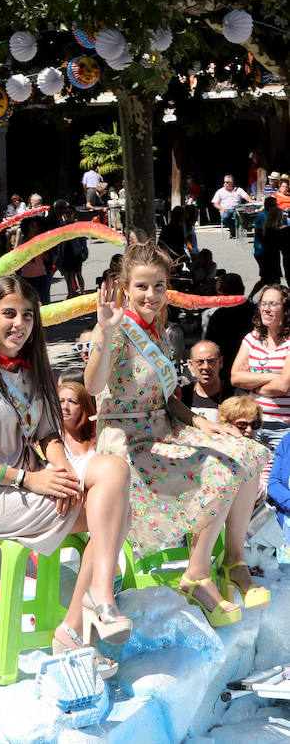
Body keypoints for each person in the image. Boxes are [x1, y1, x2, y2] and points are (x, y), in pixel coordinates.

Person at [0, 275, 133, 677]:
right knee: (115, 514)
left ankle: (94, 601)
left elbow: (48, 432)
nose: (20, 324)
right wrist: (28, 480)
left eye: (28, 315)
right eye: (8, 313)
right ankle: (78, 625)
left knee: (114, 472)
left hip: (36, 477)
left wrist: (60, 463)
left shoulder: (32, 366)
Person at [85, 241, 270, 627]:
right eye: (141, 287)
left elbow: (168, 399)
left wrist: (202, 422)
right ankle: (197, 572)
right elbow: (92, 385)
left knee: (245, 452)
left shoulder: (159, 331)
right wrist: (103, 331)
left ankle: (233, 560)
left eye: (158, 286)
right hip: (127, 443)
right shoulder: (116, 329)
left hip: (164, 430)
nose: (150, 295)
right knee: (222, 470)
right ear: (124, 286)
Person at [230, 285, 290, 451]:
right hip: (253, 425)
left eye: (273, 304)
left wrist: (252, 383)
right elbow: (235, 378)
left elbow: (283, 386)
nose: (266, 309)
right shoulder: (253, 338)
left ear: (285, 310)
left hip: (285, 428)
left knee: (281, 477)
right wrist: (273, 376)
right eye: (263, 303)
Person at [205, 274, 253, 387]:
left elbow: (210, 347)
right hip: (251, 372)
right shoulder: (256, 312)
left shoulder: (217, 316)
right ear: (243, 289)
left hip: (225, 373)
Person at [182, 340, 233, 422]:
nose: (206, 367)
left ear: (220, 362)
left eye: (211, 361)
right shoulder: (182, 396)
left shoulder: (235, 397)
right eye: (200, 362)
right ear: (191, 365)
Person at [58, 381, 96, 483]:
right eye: (61, 401)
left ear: (84, 406)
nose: (65, 406)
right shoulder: (52, 439)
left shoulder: (97, 435)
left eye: (72, 401)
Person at [249, 196, 283, 299]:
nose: (275, 207)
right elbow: (260, 236)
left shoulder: (273, 216)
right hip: (263, 252)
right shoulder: (262, 216)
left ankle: (276, 297)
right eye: (273, 205)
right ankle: (252, 297)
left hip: (272, 252)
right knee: (266, 279)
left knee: (274, 279)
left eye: (275, 205)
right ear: (267, 205)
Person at [19, 216, 53, 305]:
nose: (35, 229)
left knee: (44, 302)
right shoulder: (22, 243)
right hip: (26, 277)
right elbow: (20, 262)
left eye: (36, 226)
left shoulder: (40, 241)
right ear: (27, 228)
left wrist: (39, 250)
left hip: (41, 276)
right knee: (29, 303)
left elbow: (48, 258)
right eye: (32, 226)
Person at [60, 206, 88, 297]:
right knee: (67, 275)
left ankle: (82, 291)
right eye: (66, 213)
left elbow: (83, 239)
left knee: (78, 273)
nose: (68, 215)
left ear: (73, 213)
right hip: (65, 252)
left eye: (70, 213)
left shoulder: (78, 225)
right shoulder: (62, 225)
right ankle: (70, 292)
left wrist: (85, 251)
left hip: (76, 252)